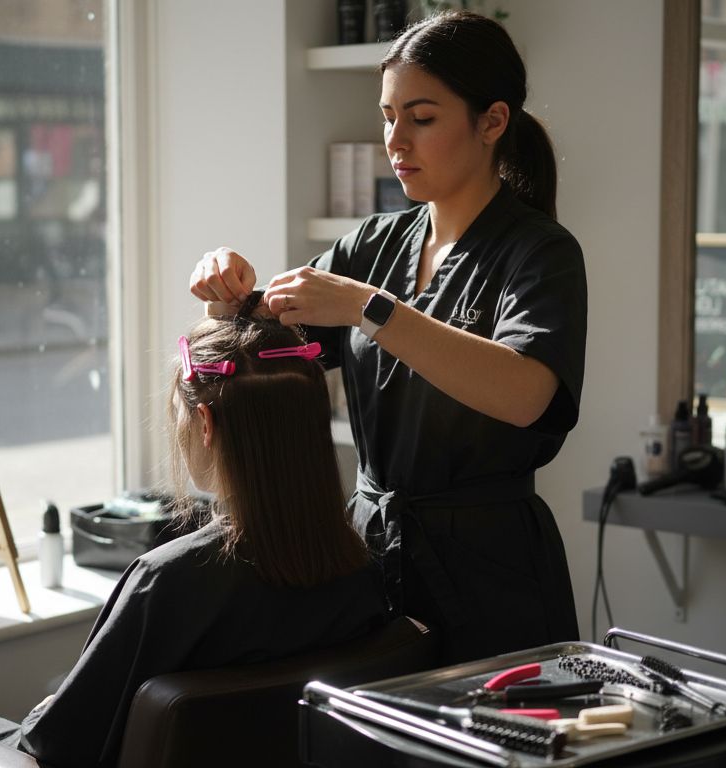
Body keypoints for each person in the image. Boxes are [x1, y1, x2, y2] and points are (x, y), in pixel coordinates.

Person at [190, 10, 586, 663]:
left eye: (421, 118)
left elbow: (526, 394)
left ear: (492, 121)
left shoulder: (540, 253)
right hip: (370, 556)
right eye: (387, 116)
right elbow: (259, 350)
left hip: (492, 575)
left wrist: (369, 308)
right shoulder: (373, 244)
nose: (395, 141)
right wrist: (223, 292)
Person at [0, 298, 388, 767]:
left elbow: (54, 747)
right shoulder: (360, 567)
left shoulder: (168, 582)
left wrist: (44, 711)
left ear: (205, 423)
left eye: (179, 413)